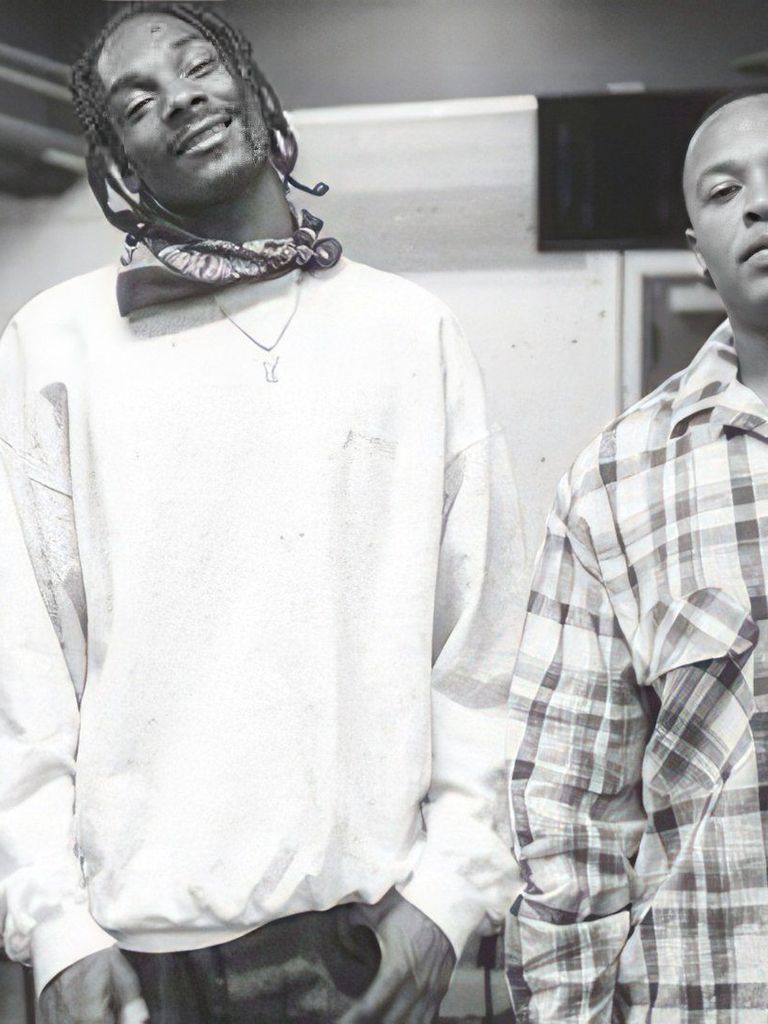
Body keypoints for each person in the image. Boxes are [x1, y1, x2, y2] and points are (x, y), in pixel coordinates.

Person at [0, 3, 524, 1023]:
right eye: (135, 102)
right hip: (137, 954)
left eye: (196, 64)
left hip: (368, 940)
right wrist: (55, 925)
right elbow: (23, 662)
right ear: (116, 160)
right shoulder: (56, 345)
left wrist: (451, 894)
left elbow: (483, 643)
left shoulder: (408, 332)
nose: (178, 98)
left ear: (249, 80)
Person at [506, 87, 768, 1022]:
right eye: (725, 190)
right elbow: (568, 808)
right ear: (698, 250)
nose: (760, 204)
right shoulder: (615, 484)